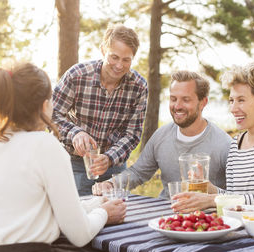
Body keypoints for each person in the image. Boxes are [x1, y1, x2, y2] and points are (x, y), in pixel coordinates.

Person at [0, 63, 126, 252]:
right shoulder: (45, 145)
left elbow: (28, 210)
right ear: (44, 105)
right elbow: (80, 234)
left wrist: (94, 204)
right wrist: (104, 213)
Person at [173, 61, 254, 218]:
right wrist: (210, 188)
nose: (233, 109)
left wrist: (211, 199)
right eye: (231, 100)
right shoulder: (236, 144)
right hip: (249, 233)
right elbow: (234, 199)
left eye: (241, 100)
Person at [93, 70, 232, 199]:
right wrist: (111, 184)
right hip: (164, 215)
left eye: (186, 99)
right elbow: (138, 172)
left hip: (206, 220)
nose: (177, 106)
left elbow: (236, 196)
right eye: (173, 99)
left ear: (203, 103)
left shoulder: (224, 144)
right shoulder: (161, 135)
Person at [52, 24, 148, 196]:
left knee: (117, 219)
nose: (119, 65)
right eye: (114, 57)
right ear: (104, 50)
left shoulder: (139, 87)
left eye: (126, 60)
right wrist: (75, 133)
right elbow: (52, 114)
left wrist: (109, 158)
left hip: (113, 169)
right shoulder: (77, 75)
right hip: (74, 165)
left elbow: (133, 134)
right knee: (75, 219)